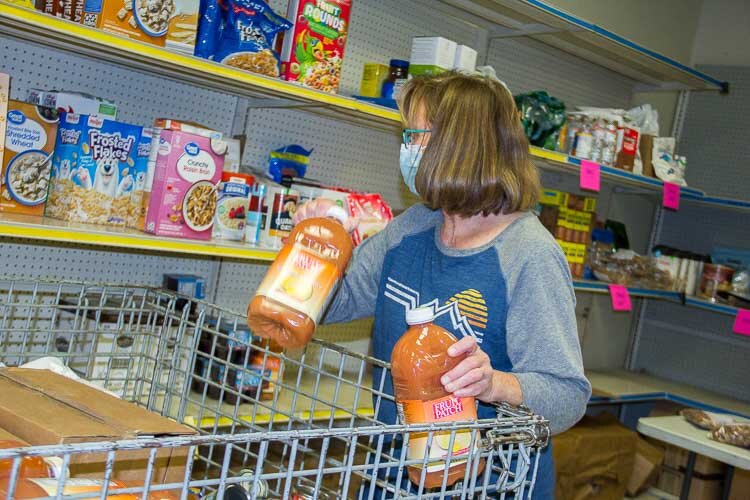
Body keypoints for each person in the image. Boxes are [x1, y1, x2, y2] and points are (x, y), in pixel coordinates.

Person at [284, 72, 590, 498]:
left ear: (460, 147)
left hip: (490, 485)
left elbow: (567, 396)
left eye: (415, 136)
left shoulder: (528, 255)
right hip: (395, 473)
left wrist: (494, 384)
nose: (406, 149)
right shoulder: (412, 229)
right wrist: (316, 252)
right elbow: (328, 307)